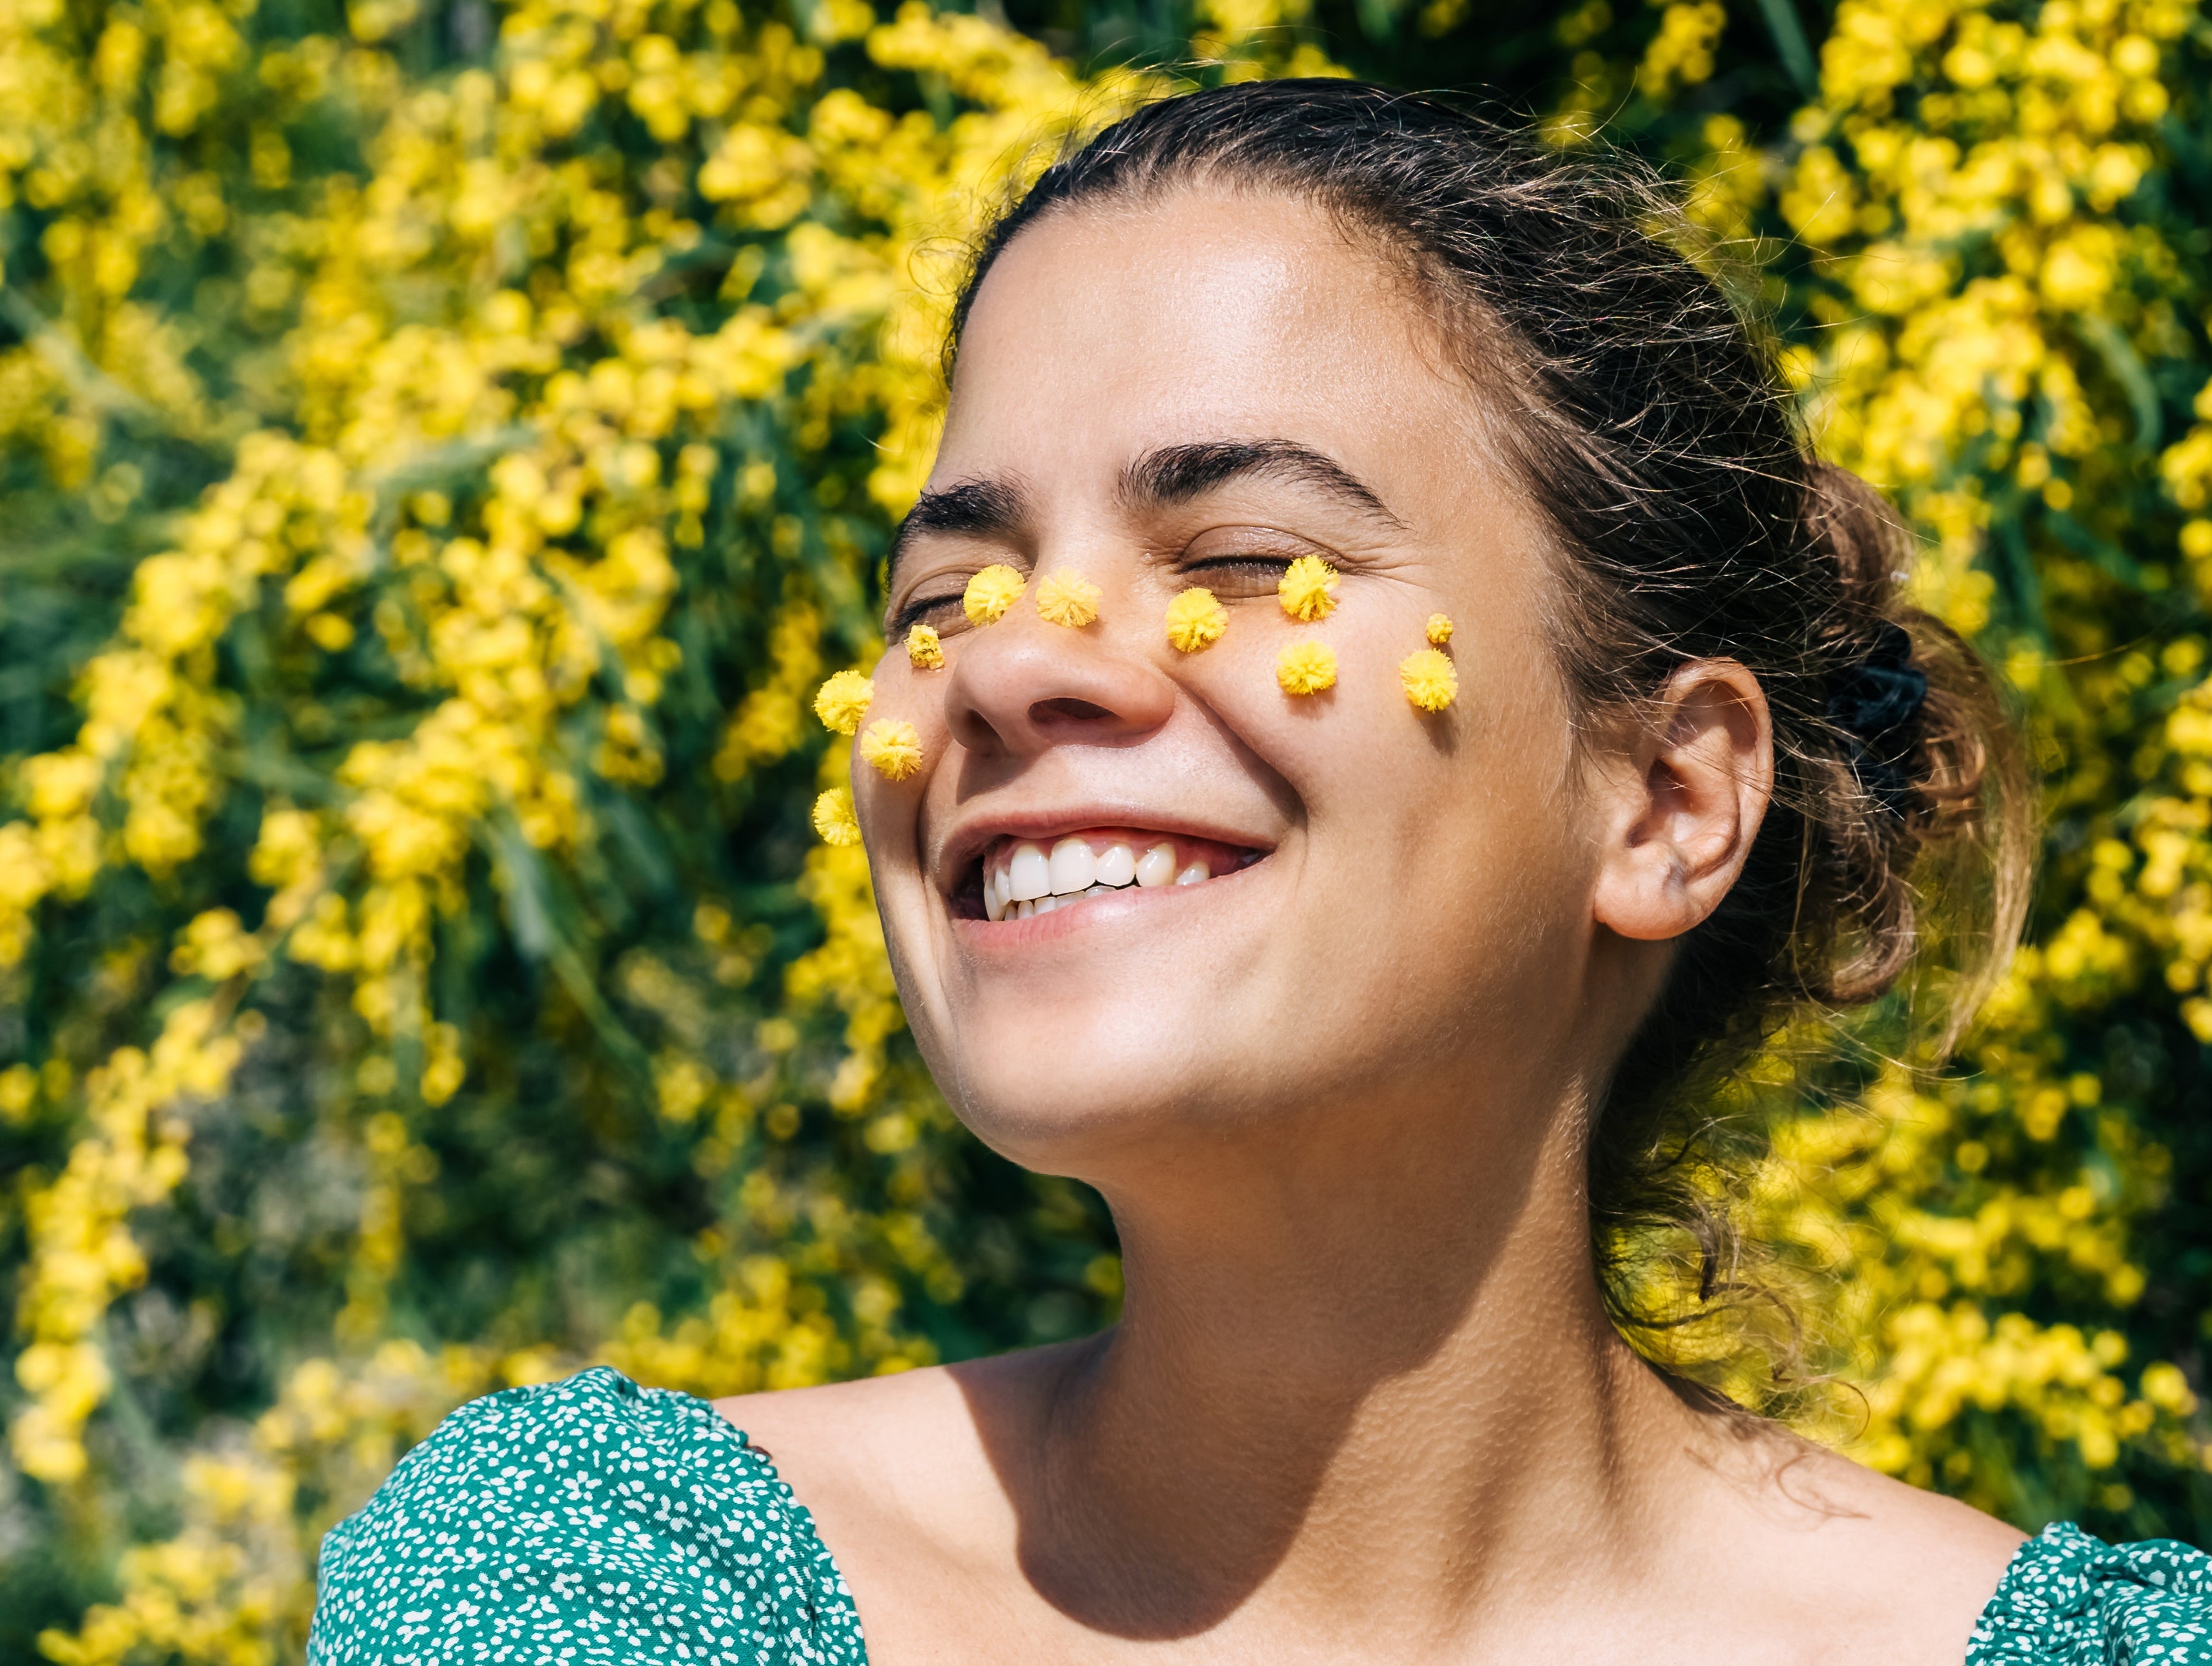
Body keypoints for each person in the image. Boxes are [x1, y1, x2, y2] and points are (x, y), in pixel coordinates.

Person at [306, 81, 2212, 1664]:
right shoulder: (604, 1591)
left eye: (1236, 558)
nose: (1007, 660)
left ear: (1662, 802)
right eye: (942, 594)